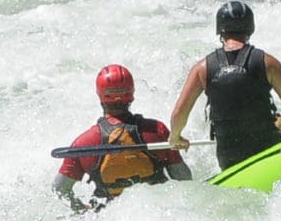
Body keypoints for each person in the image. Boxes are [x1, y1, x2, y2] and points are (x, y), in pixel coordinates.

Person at [167, 0, 281, 170]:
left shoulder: (201, 69)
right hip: (268, 152)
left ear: (220, 30)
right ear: (250, 27)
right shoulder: (268, 62)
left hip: (229, 161)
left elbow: (178, 114)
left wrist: (175, 138)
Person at [55, 64, 188, 209]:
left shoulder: (83, 144)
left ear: (100, 94)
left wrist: (82, 211)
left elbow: (60, 190)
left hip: (109, 220)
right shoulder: (157, 131)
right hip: (159, 213)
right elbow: (183, 179)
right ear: (132, 93)